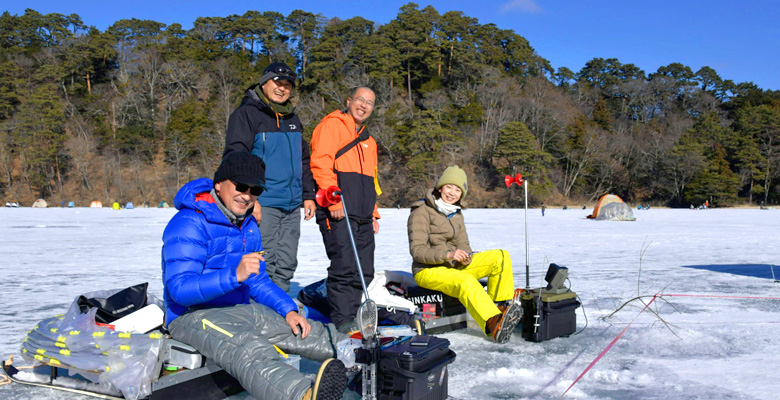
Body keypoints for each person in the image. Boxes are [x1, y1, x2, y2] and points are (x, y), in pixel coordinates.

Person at [162, 152, 348, 400]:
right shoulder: (188, 223)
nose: (247, 196)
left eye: (255, 190)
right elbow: (180, 290)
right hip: (193, 315)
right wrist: (233, 275)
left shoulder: (246, 224)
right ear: (219, 184)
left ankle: (363, 352)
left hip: (239, 306)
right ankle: (305, 394)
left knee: (304, 330)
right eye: (240, 186)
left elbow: (258, 280)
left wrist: (288, 310)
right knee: (249, 348)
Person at [223, 62, 316, 293]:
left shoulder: (292, 119)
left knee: (286, 262)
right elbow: (237, 159)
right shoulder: (246, 115)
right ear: (264, 83)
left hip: (292, 204)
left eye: (287, 85)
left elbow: (303, 160)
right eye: (277, 82)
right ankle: (259, 310)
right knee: (263, 261)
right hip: (264, 203)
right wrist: (250, 199)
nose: (282, 88)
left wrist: (308, 195)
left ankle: (280, 307)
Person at [407, 166, 522, 344]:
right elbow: (418, 251)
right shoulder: (421, 211)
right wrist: (448, 254)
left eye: (458, 189)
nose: (452, 193)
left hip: (453, 266)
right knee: (465, 281)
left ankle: (500, 310)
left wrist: (466, 255)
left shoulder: (456, 214)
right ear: (440, 188)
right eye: (449, 187)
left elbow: (463, 244)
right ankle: (493, 322)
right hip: (427, 270)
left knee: (501, 257)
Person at [310, 87, 381, 333]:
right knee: (344, 266)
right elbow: (320, 163)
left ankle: (352, 315)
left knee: (365, 270)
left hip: (362, 214)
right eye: (360, 100)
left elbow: (371, 181)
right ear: (349, 100)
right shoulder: (332, 125)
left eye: (369, 102)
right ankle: (343, 321)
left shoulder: (369, 141)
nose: (363, 105)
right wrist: (333, 200)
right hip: (338, 210)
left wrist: (373, 213)